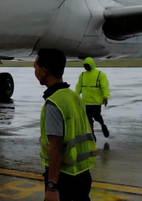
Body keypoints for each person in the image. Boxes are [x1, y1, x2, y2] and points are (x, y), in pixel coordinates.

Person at [34, 49, 96, 201]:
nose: (34, 71)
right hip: (82, 174)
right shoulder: (74, 97)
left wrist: (52, 187)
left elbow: (56, 147)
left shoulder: (54, 103)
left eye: (35, 67)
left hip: (64, 179)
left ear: (44, 71)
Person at [76, 57, 110, 139]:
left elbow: (104, 86)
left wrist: (105, 97)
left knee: (97, 117)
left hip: (96, 102)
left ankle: (102, 125)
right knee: (88, 120)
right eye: (84, 65)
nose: (85, 67)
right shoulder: (82, 75)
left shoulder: (100, 74)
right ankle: (92, 135)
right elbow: (78, 86)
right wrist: (76, 96)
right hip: (86, 102)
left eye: (87, 65)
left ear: (91, 65)